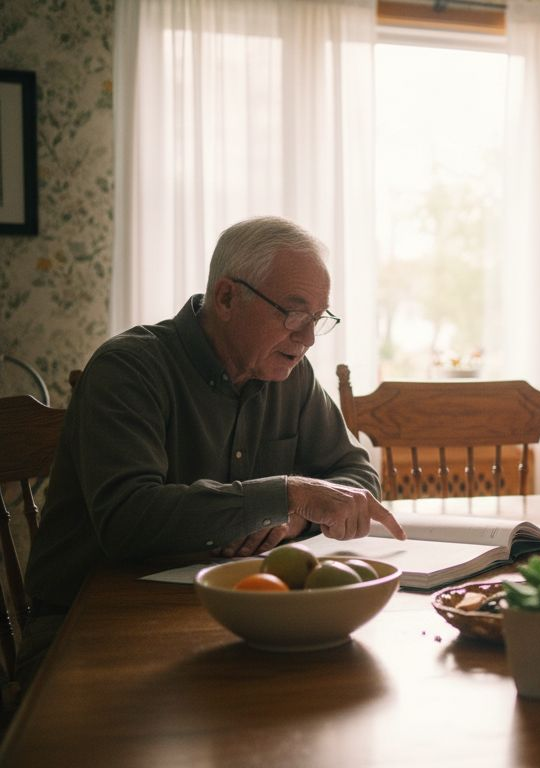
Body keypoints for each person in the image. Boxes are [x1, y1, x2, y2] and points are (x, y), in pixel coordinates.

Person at [21, 216, 405, 682]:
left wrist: (297, 515)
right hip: (88, 624)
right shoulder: (128, 368)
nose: (306, 339)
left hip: (235, 613)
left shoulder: (290, 373)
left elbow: (355, 476)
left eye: (318, 319)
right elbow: (128, 521)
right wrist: (286, 494)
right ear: (226, 297)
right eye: (293, 314)